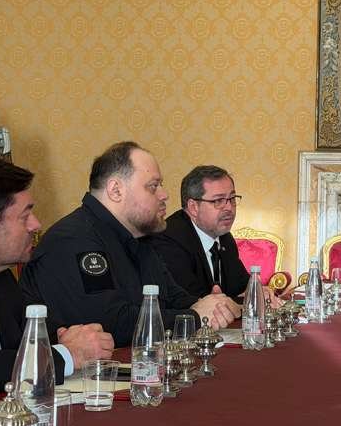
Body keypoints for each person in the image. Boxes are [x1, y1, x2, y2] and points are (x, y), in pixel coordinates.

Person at [0, 156, 113, 404]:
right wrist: (66, 355)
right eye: (25, 216)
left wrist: (69, 338)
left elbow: (33, 333)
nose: (36, 225)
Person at [20, 142, 239, 348]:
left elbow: (173, 297)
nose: (164, 195)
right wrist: (195, 317)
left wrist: (215, 305)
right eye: (153, 186)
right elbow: (111, 324)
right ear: (116, 190)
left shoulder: (139, 237)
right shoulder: (74, 240)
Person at [150, 165, 281, 308]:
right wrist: (241, 301)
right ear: (193, 207)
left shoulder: (224, 238)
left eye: (232, 198)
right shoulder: (169, 240)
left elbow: (242, 286)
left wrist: (259, 293)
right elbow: (193, 302)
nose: (229, 208)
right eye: (218, 201)